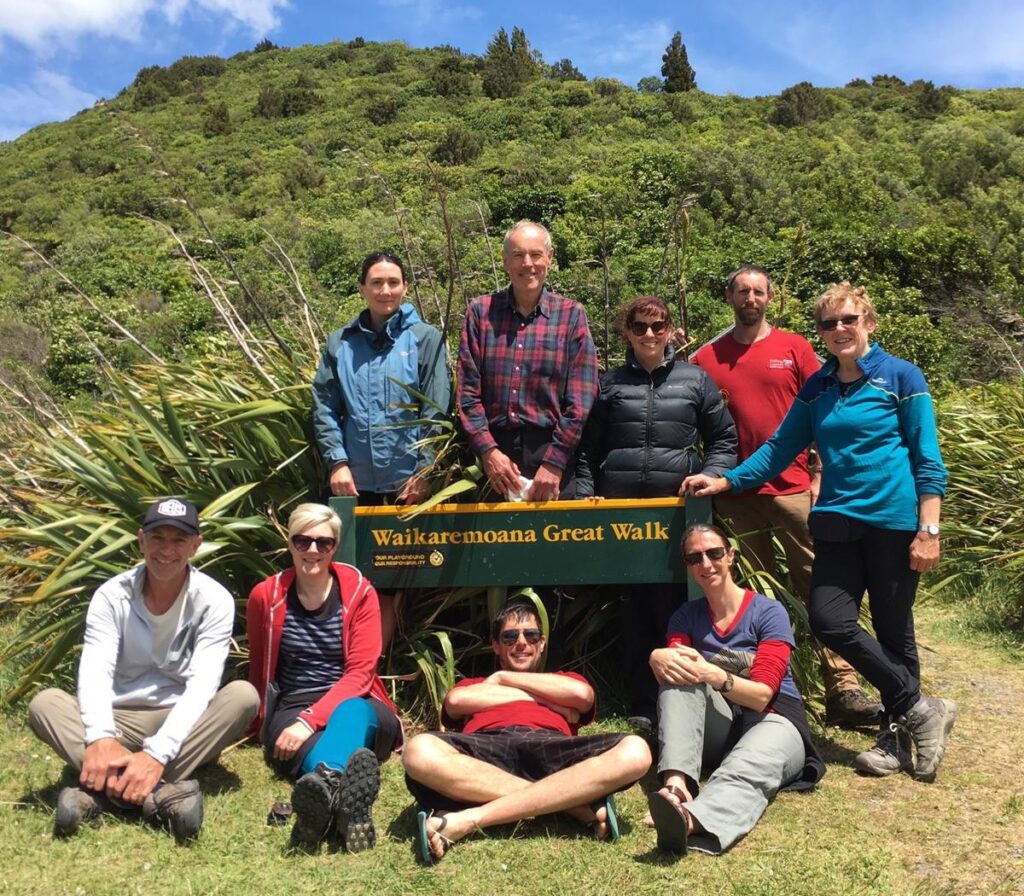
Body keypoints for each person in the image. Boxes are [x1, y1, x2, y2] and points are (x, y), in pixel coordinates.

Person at [683, 282, 956, 782]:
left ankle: (897, 736)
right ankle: (920, 707)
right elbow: (779, 448)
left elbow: (927, 459)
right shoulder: (819, 387)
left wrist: (929, 528)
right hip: (834, 523)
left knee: (896, 631)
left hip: (894, 525)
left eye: (848, 320)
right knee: (829, 621)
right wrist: (727, 479)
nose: (839, 331)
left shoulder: (901, 377)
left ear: (868, 322)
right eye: (828, 324)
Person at [691, 266, 881, 729]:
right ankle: (769, 685)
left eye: (758, 291)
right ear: (729, 296)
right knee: (751, 593)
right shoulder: (704, 358)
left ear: (770, 298)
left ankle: (843, 686)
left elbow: (826, 410)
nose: (750, 298)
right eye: (742, 290)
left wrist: (819, 473)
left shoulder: (794, 347)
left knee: (820, 585)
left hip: (794, 489)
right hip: (735, 496)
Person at [27, 498, 259, 841]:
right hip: (120, 715)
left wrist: (156, 752)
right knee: (45, 704)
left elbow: (202, 687)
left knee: (243, 696)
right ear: (141, 540)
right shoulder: (111, 596)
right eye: (158, 538)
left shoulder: (214, 600)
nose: (167, 550)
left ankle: (105, 789)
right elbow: (96, 670)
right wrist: (102, 736)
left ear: (196, 545)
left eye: (179, 540)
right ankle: (162, 795)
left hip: (179, 715)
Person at [581, 295, 737, 728]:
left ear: (670, 330)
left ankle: (683, 695)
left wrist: (712, 474)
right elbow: (586, 451)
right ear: (626, 332)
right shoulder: (609, 384)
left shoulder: (695, 380)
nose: (649, 334)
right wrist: (587, 493)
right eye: (639, 326)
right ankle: (642, 704)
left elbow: (724, 439)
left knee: (677, 607)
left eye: (658, 325)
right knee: (632, 608)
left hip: (679, 517)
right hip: (622, 518)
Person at [402, 602, 652, 864]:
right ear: (496, 645)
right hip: (485, 749)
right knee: (418, 750)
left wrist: (502, 679)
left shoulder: (564, 678)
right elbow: (455, 702)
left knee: (636, 751)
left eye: (530, 635)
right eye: (510, 637)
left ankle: (467, 819)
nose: (521, 642)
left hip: (552, 748)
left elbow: (582, 695)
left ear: (542, 643)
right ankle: (571, 805)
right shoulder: (474, 683)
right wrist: (550, 702)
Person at [647, 524, 824, 855]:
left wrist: (716, 675)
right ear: (688, 565)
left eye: (714, 553)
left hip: (774, 717)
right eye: (695, 558)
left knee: (749, 763)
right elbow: (674, 665)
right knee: (678, 673)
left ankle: (690, 821)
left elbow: (761, 695)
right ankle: (676, 787)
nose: (707, 564)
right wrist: (657, 656)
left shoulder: (768, 612)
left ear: (731, 556)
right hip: (721, 725)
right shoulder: (685, 617)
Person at [312, 250, 451, 646]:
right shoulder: (341, 343)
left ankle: (377, 669)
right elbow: (324, 406)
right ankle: (347, 667)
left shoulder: (425, 339)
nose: (385, 290)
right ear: (362, 289)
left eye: (393, 282)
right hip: (353, 484)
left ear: (405, 287)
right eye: (376, 282)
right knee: (348, 577)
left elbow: (437, 410)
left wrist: (425, 472)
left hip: (407, 487)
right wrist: (337, 463)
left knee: (390, 585)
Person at [247, 503, 401, 853]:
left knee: (348, 712)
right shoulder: (266, 596)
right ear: (289, 543)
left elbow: (361, 673)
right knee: (322, 754)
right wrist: (260, 724)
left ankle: (323, 796)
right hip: (293, 703)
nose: (313, 550)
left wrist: (309, 720)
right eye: (303, 541)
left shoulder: (360, 593)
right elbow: (260, 668)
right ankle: (344, 806)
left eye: (324, 543)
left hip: (358, 702)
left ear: (335, 547)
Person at [457, 220, 598, 503]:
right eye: (519, 255)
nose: (528, 263)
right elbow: (467, 394)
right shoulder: (481, 313)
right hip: (495, 458)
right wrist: (488, 452)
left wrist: (555, 462)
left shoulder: (571, 315)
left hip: (553, 453)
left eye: (536, 254)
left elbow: (581, 400)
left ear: (550, 258)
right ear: (505, 261)